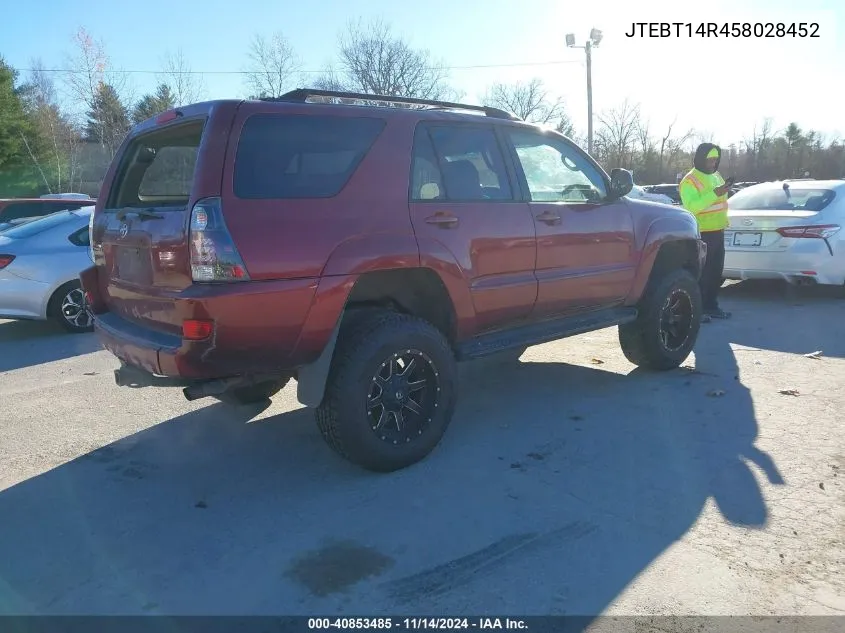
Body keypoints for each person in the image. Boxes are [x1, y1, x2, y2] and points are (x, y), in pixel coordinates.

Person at [679, 143, 732, 321]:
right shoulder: (690, 180)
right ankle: (696, 310)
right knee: (702, 274)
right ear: (701, 159)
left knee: (716, 272)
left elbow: (720, 201)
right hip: (702, 233)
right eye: (709, 160)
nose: (713, 164)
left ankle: (711, 306)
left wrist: (724, 191)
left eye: (715, 160)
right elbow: (692, 206)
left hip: (718, 230)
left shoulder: (716, 176)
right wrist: (715, 193)